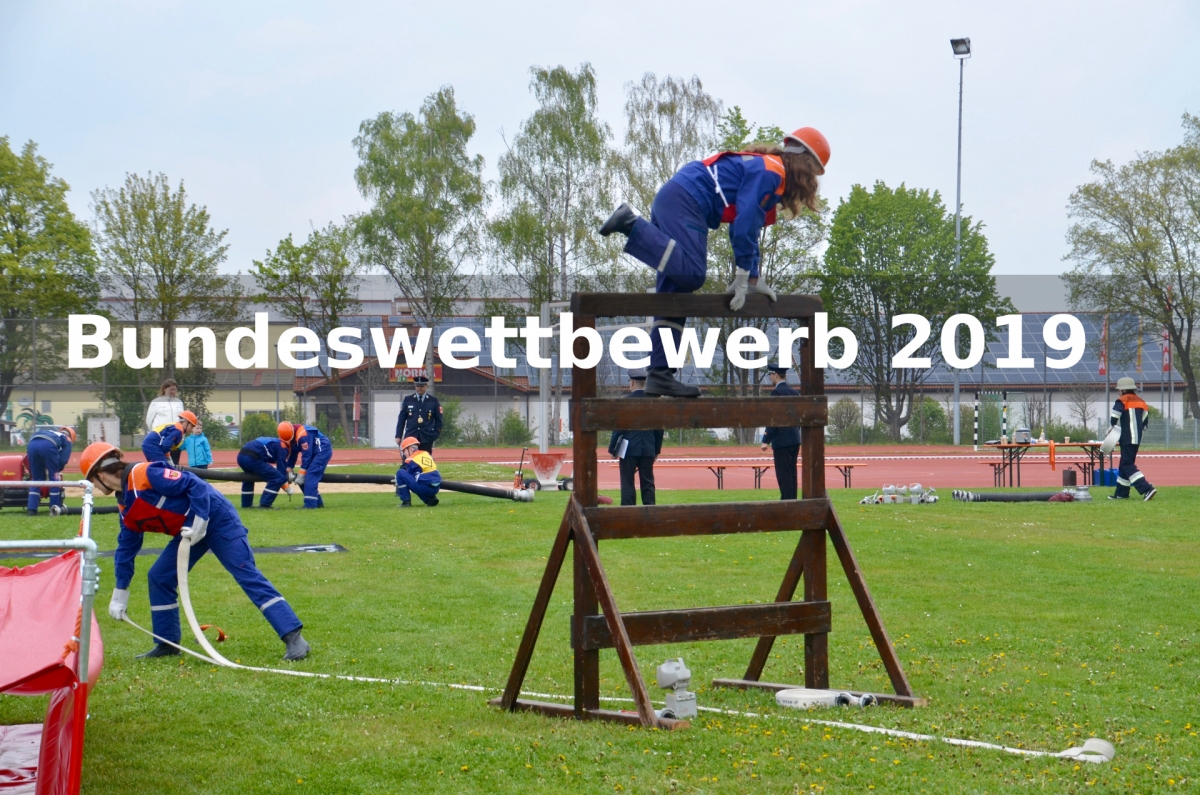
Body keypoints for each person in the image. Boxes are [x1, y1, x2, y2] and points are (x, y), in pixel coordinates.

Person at [599, 128, 828, 397]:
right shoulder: (772, 171)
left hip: (677, 197)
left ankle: (660, 373)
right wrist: (743, 274)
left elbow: (749, 226)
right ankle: (631, 224)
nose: (810, 183)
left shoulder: (768, 170)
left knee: (675, 295)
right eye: (812, 175)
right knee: (694, 274)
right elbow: (743, 226)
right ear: (805, 165)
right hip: (687, 200)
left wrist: (752, 277)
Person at [80, 442, 310, 661]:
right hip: (190, 532)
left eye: (90, 481)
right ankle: (167, 643)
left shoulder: (144, 474)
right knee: (159, 577)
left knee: (245, 572)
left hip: (218, 519)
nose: (94, 487)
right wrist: (120, 592)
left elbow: (195, 484)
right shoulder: (124, 504)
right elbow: (126, 549)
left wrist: (200, 518)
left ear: (99, 475)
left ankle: (294, 637)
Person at [608, 369, 663, 506]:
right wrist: (656, 450)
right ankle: (650, 511)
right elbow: (659, 429)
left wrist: (613, 449)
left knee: (627, 483)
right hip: (648, 447)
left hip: (628, 448)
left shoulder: (625, 403)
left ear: (632, 383)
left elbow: (618, 428)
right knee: (648, 482)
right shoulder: (654, 402)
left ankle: (628, 512)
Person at [1109, 377, 1156, 501]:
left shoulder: (1121, 401)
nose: (1118, 392)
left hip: (1126, 437)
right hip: (1137, 438)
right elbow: (1145, 420)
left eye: (1119, 390)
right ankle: (1121, 493)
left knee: (1127, 464)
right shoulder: (1141, 401)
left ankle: (1147, 488)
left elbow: (1115, 415)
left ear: (1123, 390)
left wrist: (1112, 426)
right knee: (1124, 464)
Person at [760, 364, 801, 500]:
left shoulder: (776, 393)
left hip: (782, 440)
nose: (770, 378)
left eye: (770, 375)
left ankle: (787, 502)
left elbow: (774, 418)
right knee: (792, 473)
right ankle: (793, 501)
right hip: (794, 438)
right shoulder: (794, 392)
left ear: (775, 375)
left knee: (784, 475)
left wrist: (766, 440)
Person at [279, 421, 332, 509]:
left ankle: (310, 505)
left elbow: (306, 455)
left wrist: (301, 474)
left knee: (310, 476)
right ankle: (318, 503)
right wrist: (289, 468)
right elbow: (293, 455)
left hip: (322, 451)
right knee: (307, 477)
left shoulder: (303, 435)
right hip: (316, 451)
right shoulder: (292, 436)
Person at [25, 426, 75, 515]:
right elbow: (63, 460)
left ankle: (32, 509)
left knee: (36, 479)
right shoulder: (67, 439)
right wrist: (55, 469)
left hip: (32, 444)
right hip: (48, 445)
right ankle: (54, 508)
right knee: (54, 479)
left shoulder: (51, 432)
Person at [237, 436, 291, 509]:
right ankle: (265, 504)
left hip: (241, 456)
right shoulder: (283, 446)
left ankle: (246, 504)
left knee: (248, 478)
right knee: (277, 478)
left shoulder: (274, 441)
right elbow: (281, 470)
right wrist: (286, 487)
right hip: (252, 458)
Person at [395, 374, 442, 454]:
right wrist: (398, 435)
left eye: (422, 386)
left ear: (426, 386)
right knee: (409, 460)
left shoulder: (433, 401)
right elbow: (401, 419)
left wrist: (435, 433)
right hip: (411, 436)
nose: (419, 388)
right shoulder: (408, 400)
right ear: (415, 386)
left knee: (424, 461)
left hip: (426, 436)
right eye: (418, 386)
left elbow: (439, 420)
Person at [145, 379, 186, 466]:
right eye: (171, 389)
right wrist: (156, 431)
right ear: (164, 389)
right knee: (161, 464)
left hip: (175, 437)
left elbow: (182, 420)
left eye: (174, 389)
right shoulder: (156, 402)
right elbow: (149, 420)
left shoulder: (179, 403)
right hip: (161, 437)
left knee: (175, 464)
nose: (173, 391)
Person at [396, 436, 441, 507]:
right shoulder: (426, 454)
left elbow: (410, 478)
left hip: (425, 487)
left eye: (404, 451)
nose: (404, 454)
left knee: (400, 473)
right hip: (437, 487)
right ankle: (430, 499)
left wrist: (398, 482)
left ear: (410, 449)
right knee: (419, 479)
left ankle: (406, 502)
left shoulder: (410, 459)